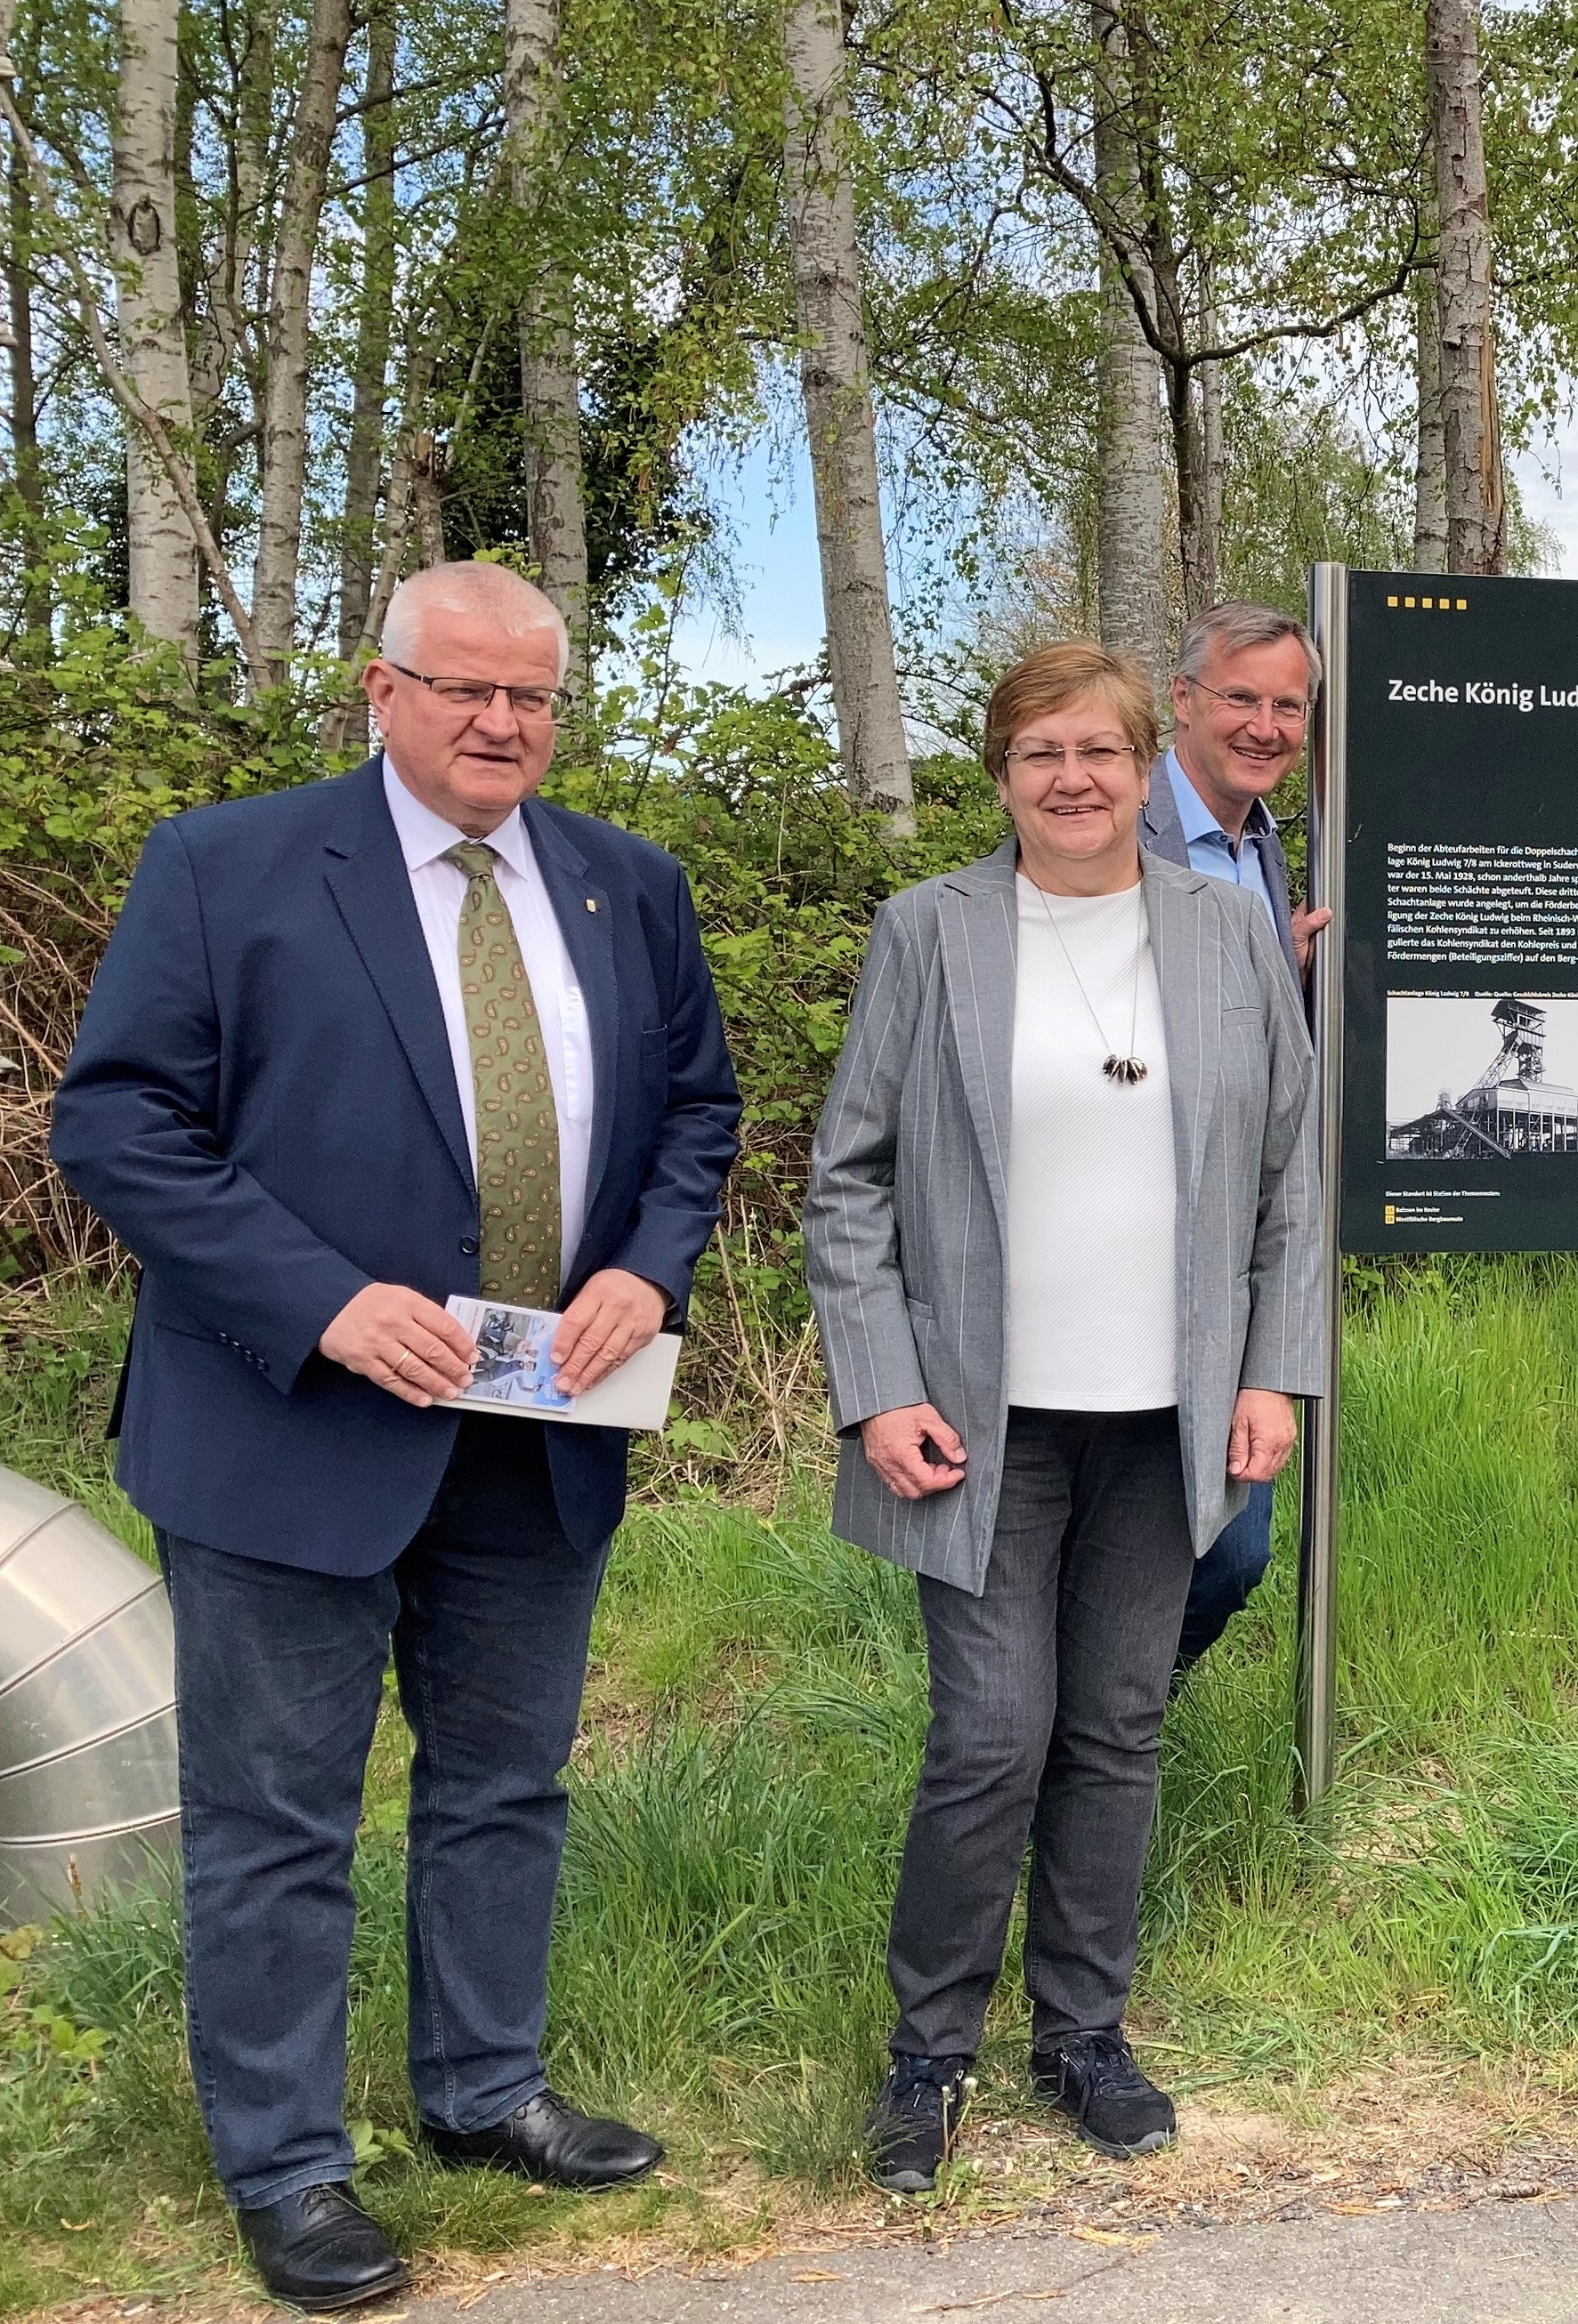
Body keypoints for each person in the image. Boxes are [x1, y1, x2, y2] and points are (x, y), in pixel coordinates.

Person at [51, 561, 741, 2313]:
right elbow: (122, 1120)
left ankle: (484, 2089)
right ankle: (286, 2169)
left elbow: (698, 1109)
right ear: (383, 686)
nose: (502, 723)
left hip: (541, 1427)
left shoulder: (624, 885)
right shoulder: (233, 867)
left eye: (533, 697)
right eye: (466, 691)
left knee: (505, 1781)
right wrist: (323, 1299)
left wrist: (651, 1280)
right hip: (294, 1422)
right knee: (277, 1814)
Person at [805, 641, 1323, 2195]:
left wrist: (1266, 1373)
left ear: (1139, 758)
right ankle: (929, 2054)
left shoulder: (1224, 938)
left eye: (1100, 748)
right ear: (1003, 773)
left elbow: (1291, 1177)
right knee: (988, 1734)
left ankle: (1081, 2032)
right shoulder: (931, 930)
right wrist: (875, 1385)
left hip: (1164, 1417)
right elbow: (848, 1183)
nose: (1075, 779)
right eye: (1041, 752)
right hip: (981, 1419)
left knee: (1114, 1727)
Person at [1137, 601, 1331, 1677]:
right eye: (1241, 698)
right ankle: (1089, 1730)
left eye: (1287, 706)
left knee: (1231, 1549)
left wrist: (1282, 982)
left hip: (1233, 1256)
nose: (1265, 725)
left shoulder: (1262, 848)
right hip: (1119, 1244)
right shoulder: (1114, 824)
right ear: (1183, 700)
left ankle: (1117, 1713)